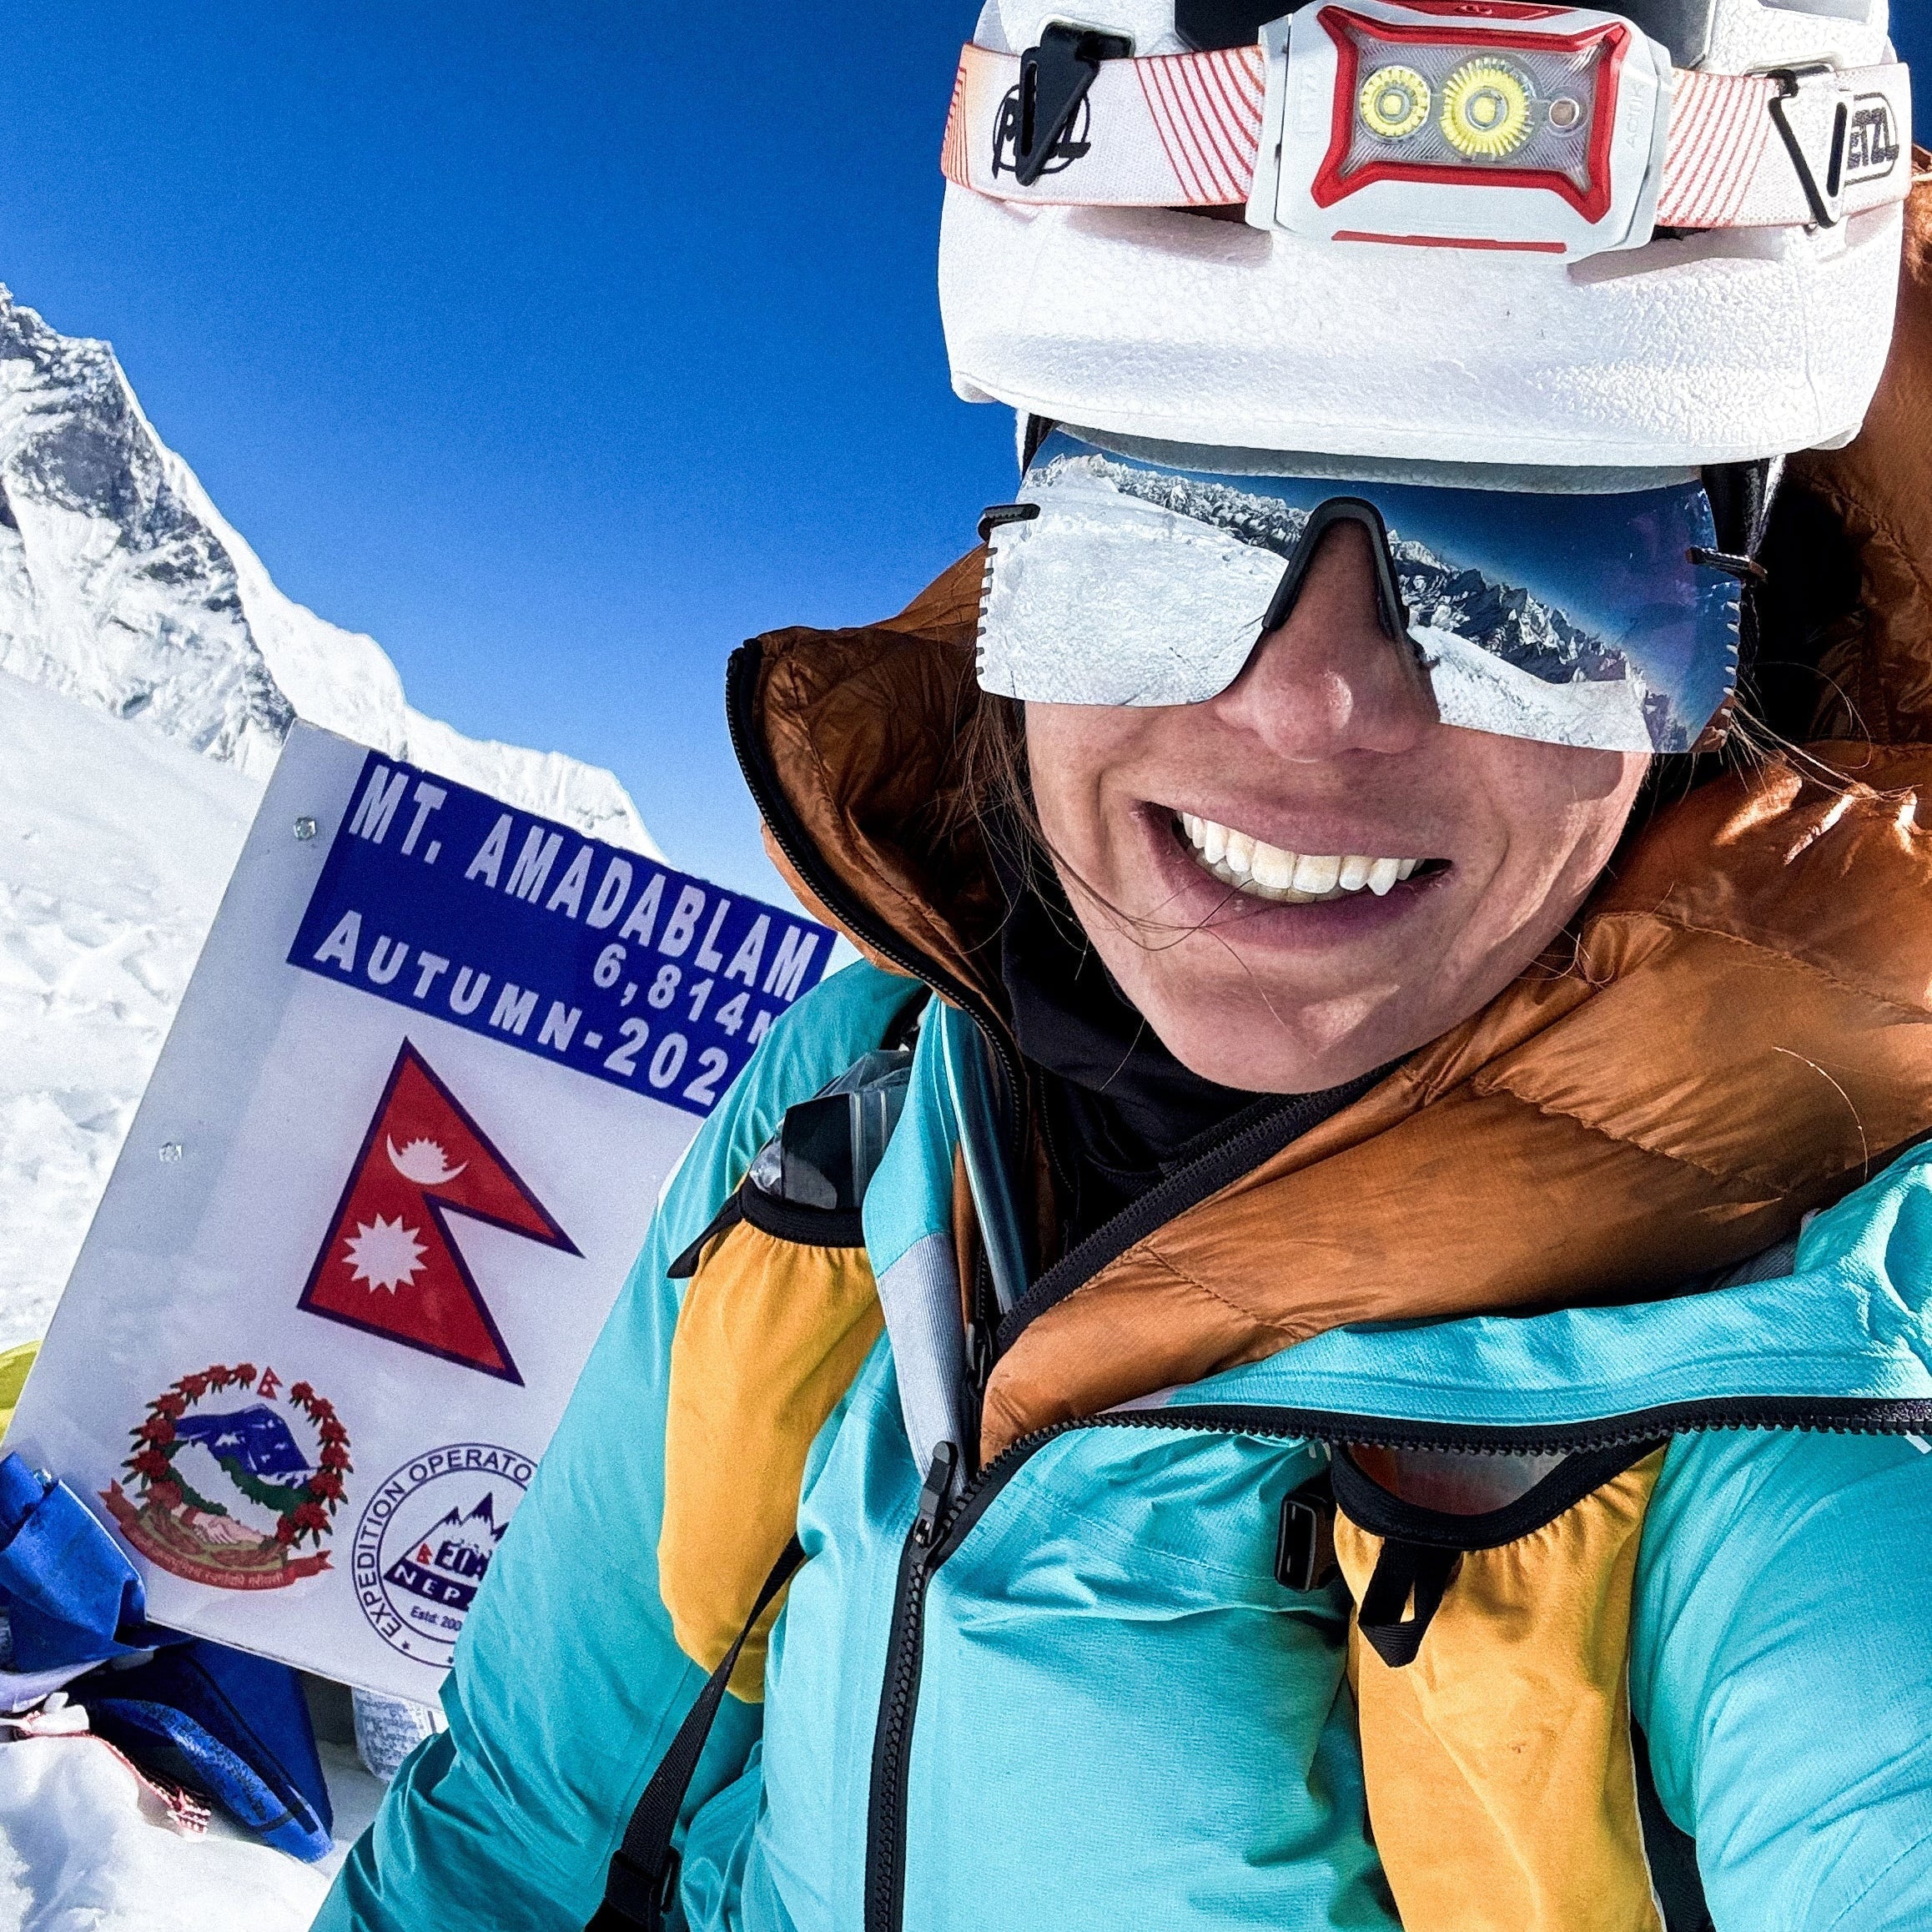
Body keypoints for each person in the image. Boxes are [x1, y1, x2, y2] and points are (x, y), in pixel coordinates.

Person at [321, 6, 1932, 1929]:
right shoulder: (860, 1107)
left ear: (1717, 686)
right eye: (1166, 530)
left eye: (1537, 591)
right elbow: (514, 1824)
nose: (1314, 707)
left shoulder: (1807, 1409)